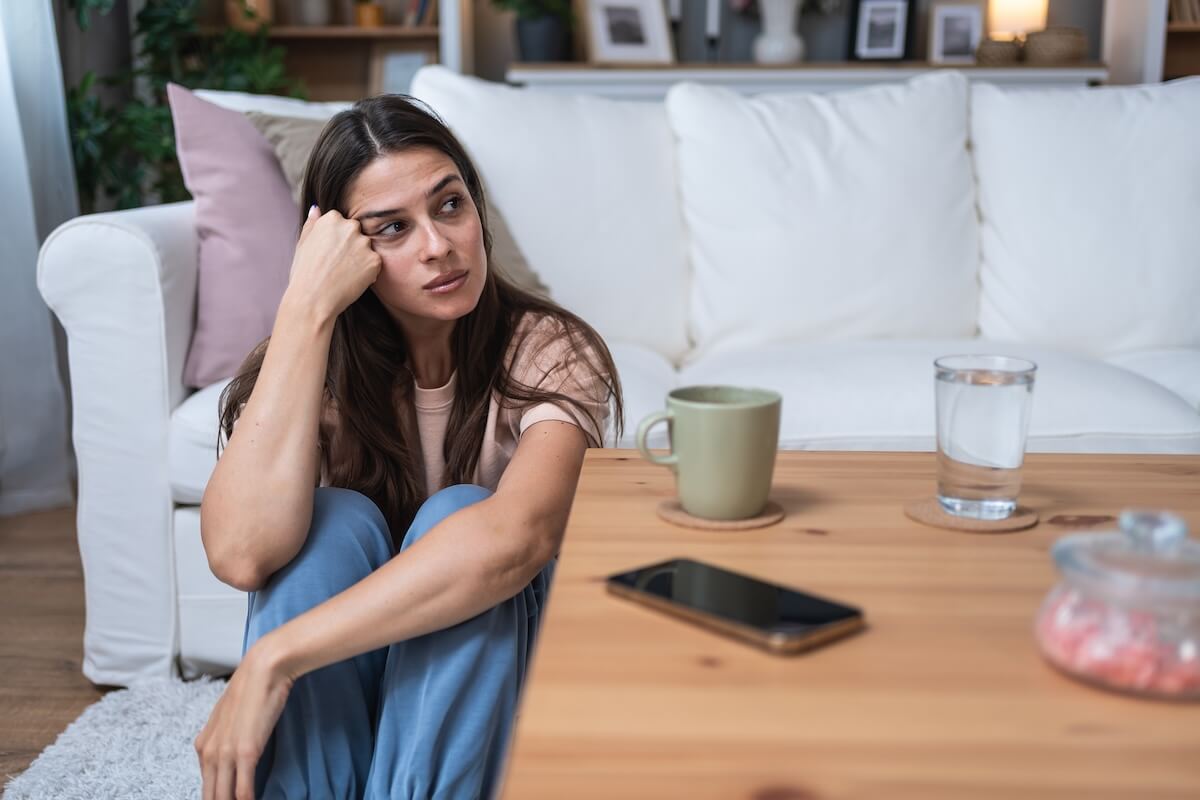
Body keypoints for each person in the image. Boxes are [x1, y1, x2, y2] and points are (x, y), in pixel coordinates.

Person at [193, 94, 623, 800]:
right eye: (391, 228)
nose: (437, 244)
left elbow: (515, 541)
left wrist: (273, 657)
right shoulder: (312, 365)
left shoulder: (549, 350)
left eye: (450, 205)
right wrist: (306, 307)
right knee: (331, 527)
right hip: (346, 690)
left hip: (498, 690)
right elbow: (241, 554)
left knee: (463, 518)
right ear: (345, 254)